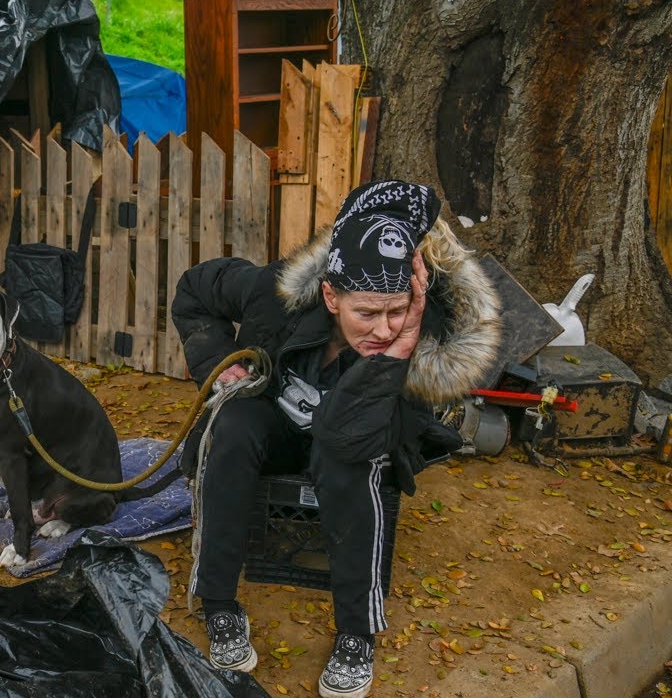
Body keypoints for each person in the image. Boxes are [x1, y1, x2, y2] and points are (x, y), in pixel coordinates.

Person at [171, 180, 501, 698]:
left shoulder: (417, 340)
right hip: (276, 424)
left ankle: (357, 631)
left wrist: (398, 351)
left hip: (351, 440)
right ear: (330, 294)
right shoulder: (270, 292)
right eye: (366, 313)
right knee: (231, 428)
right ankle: (218, 604)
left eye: (396, 311)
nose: (383, 327)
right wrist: (215, 362)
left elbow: (347, 438)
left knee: (352, 461)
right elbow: (192, 289)